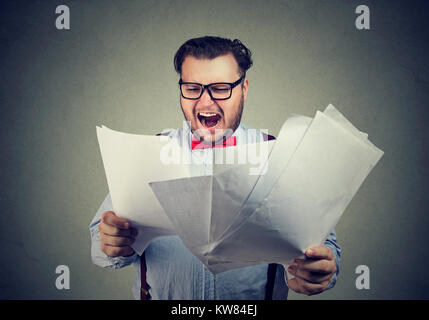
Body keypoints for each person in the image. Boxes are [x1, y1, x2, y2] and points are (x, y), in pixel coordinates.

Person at [90, 36, 341, 300]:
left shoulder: (280, 156)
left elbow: (325, 247)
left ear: (243, 89)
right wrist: (112, 242)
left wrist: (318, 269)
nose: (206, 102)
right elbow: (99, 245)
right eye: (192, 87)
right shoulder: (148, 154)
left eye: (220, 88)